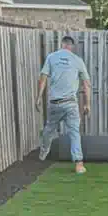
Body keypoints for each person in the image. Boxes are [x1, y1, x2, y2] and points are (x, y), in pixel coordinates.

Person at [36, 33, 91, 175]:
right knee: (74, 133)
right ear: (71, 47)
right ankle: (79, 164)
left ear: (62, 44)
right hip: (70, 104)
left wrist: (38, 98)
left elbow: (43, 79)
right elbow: (86, 84)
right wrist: (87, 104)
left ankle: (43, 152)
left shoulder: (51, 57)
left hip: (55, 103)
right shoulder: (77, 60)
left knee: (49, 129)